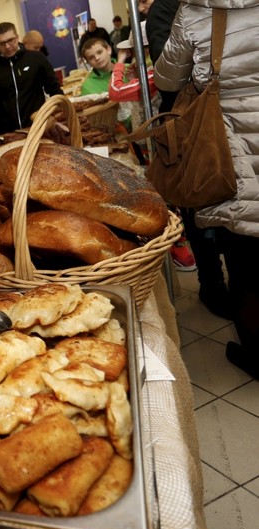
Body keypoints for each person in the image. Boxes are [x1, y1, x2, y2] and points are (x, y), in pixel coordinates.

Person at [154, 0, 259, 377]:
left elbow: (167, 79)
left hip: (231, 157)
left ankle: (256, 355)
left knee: (246, 268)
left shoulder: (194, 12)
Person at [148, 0, 226, 311]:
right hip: (189, 123)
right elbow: (167, 75)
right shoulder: (165, 9)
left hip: (221, 117)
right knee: (196, 202)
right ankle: (212, 283)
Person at [0, 22, 63, 135]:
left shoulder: (37, 58)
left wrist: (58, 116)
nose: (7, 46)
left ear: (17, 37)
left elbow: (55, 90)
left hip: (39, 129)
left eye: (11, 40)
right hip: (10, 135)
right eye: (2, 43)